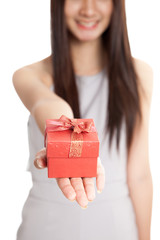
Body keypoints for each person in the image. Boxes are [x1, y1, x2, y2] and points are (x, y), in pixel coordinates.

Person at [12, 0, 153, 239]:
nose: (88, 9)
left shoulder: (138, 74)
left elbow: (139, 175)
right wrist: (65, 134)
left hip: (118, 229)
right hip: (45, 229)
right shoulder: (30, 75)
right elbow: (45, 103)